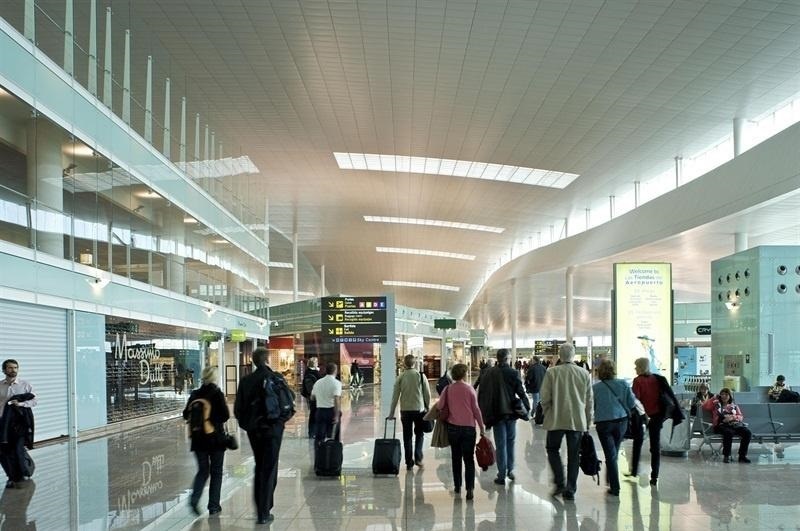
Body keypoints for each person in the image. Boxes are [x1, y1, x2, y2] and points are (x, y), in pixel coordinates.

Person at [234, 347, 288, 525]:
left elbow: (238, 410)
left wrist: (249, 426)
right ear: (267, 360)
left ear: (254, 361)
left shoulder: (246, 381)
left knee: (260, 465)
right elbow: (287, 404)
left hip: (254, 430)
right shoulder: (276, 377)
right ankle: (264, 511)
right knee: (269, 467)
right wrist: (279, 423)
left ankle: (262, 508)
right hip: (272, 430)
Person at [540, 343, 593, 500]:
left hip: (556, 419)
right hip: (576, 420)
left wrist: (548, 411)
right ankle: (571, 487)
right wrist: (588, 421)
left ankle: (559, 482)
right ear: (573, 355)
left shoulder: (552, 373)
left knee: (552, 449)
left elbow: (544, 397)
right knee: (574, 454)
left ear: (560, 356)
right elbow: (589, 401)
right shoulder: (584, 374)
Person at [477, 349, 530, 485]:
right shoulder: (513, 373)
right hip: (511, 413)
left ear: (497, 358)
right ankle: (510, 470)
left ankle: (501, 474)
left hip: (496, 414)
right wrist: (527, 408)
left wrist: (484, 413)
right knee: (510, 442)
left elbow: (482, 393)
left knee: (500, 444)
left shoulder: (489, 373)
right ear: (507, 358)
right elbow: (521, 391)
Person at [182, 366, 229, 515]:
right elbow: (225, 416)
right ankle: (214, 506)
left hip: (197, 440)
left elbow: (185, 414)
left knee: (202, 471)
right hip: (215, 439)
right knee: (216, 472)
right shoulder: (217, 394)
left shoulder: (195, 394)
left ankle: (194, 499)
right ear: (214, 378)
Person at [628, 357, 681, 486]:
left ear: (641, 367)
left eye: (636, 366)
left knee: (638, 442)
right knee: (655, 447)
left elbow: (636, 400)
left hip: (643, 417)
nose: (635, 369)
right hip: (657, 416)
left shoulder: (638, 381)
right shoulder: (657, 379)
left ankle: (634, 471)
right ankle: (654, 476)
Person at [436, 363, 485, 500]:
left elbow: (440, 406)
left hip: (453, 428)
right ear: (464, 374)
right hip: (469, 428)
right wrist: (481, 427)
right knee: (469, 459)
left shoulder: (448, 389)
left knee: (455, 458)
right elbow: (476, 410)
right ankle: (470, 489)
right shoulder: (470, 389)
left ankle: (458, 486)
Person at [592, 359, 635, 497]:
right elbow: (632, 403)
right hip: (621, 422)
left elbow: (592, 406)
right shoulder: (623, 384)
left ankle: (615, 486)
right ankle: (611, 478)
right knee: (613, 452)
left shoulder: (596, 388)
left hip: (603, 423)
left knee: (610, 455)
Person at [388, 355, 431, 471]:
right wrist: (428, 407)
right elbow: (427, 394)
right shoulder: (421, 376)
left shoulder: (400, 377)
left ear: (404, 364)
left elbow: (395, 397)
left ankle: (409, 462)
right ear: (414, 363)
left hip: (405, 411)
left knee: (407, 436)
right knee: (419, 434)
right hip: (419, 410)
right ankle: (418, 458)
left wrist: (391, 413)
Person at [0, 359, 36, 489]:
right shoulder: (0, 385)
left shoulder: (25, 384)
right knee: (4, 451)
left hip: (19, 423)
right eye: (10, 368)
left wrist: (20, 404)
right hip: (3, 423)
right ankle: (11, 476)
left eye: (15, 367)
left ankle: (25, 471)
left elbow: (34, 401)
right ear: (4, 370)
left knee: (17, 448)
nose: (13, 370)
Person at [703, 388, 752, 463]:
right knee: (728, 433)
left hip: (733, 424)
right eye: (722, 394)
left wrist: (732, 417)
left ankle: (742, 456)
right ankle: (727, 456)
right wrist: (713, 397)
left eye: (726, 394)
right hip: (720, 425)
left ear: (729, 396)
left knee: (747, 433)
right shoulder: (716, 405)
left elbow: (740, 416)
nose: (724, 396)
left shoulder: (734, 406)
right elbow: (705, 406)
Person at [310, 363, 342, 450]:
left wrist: (321, 398)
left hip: (320, 411)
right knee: (334, 435)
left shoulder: (318, 382)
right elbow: (336, 400)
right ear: (335, 371)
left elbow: (312, 397)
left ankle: (319, 455)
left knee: (319, 436)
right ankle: (333, 455)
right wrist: (336, 415)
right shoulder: (336, 383)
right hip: (331, 411)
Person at [302, 357, 322, 438]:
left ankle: (313, 432)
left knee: (314, 413)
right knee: (314, 414)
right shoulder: (313, 373)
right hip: (314, 397)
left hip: (311, 396)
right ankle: (313, 432)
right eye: (316, 362)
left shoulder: (309, 372)